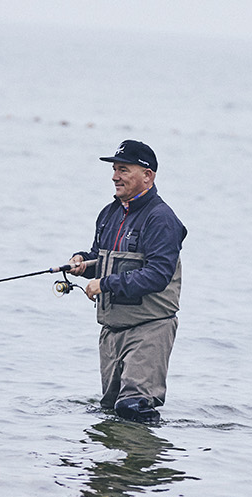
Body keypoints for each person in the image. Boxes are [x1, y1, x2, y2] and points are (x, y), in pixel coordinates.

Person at [68, 140, 187, 424]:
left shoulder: (162, 219)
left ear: (148, 175)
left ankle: (147, 465)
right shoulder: (110, 213)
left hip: (150, 329)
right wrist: (83, 262)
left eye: (123, 169)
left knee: (134, 408)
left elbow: (157, 275)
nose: (114, 176)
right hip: (112, 331)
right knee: (111, 412)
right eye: (113, 169)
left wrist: (105, 284)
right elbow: (101, 258)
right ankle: (114, 469)